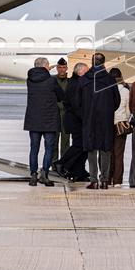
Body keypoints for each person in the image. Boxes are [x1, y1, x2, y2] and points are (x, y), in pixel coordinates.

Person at [23, 57, 65, 187]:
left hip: (34, 119)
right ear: (45, 66)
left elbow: (40, 76)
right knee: (49, 148)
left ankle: (33, 175)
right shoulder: (51, 80)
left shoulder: (30, 80)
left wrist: (46, 71)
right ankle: (45, 174)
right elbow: (61, 96)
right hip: (49, 119)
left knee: (34, 148)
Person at [82, 53, 121, 190]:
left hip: (89, 119)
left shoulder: (85, 79)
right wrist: (108, 111)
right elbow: (117, 101)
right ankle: (104, 180)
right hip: (105, 120)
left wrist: (85, 113)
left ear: (92, 62)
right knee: (105, 150)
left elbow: (77, 101)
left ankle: (93, 180)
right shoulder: (110, 80)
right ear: (104, 62)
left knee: (91, 150)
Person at [54, 62, 90, 181]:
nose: (88, 73)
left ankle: (78, 171)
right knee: (79, 145)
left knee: (83, 146)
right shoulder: (76, 84)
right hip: (76, 120)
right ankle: (61, 163)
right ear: (80, 72)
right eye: (86, 71)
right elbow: (76, 105)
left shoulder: (77, 82)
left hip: (77, 119)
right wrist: (85, 118)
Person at [107, 67, 131, 186]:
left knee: (107, 153)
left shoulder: (105, 90)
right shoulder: (126, 91)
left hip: (107, 124)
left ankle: (107, 178)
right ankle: (117, 180)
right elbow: (128, 110)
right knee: (119, 154)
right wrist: (124, 119)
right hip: (120, 124)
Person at [54, 58, 70, 159]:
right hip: (54, 114)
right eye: (60, 67)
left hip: (66, 115)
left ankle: (64, 164)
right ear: (57, 68)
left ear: (67, 68)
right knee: (53, 141)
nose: (62, 70)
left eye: (64, 67)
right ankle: (54, 163)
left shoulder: (70, 81)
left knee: (66, 142)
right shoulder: (52, 80)